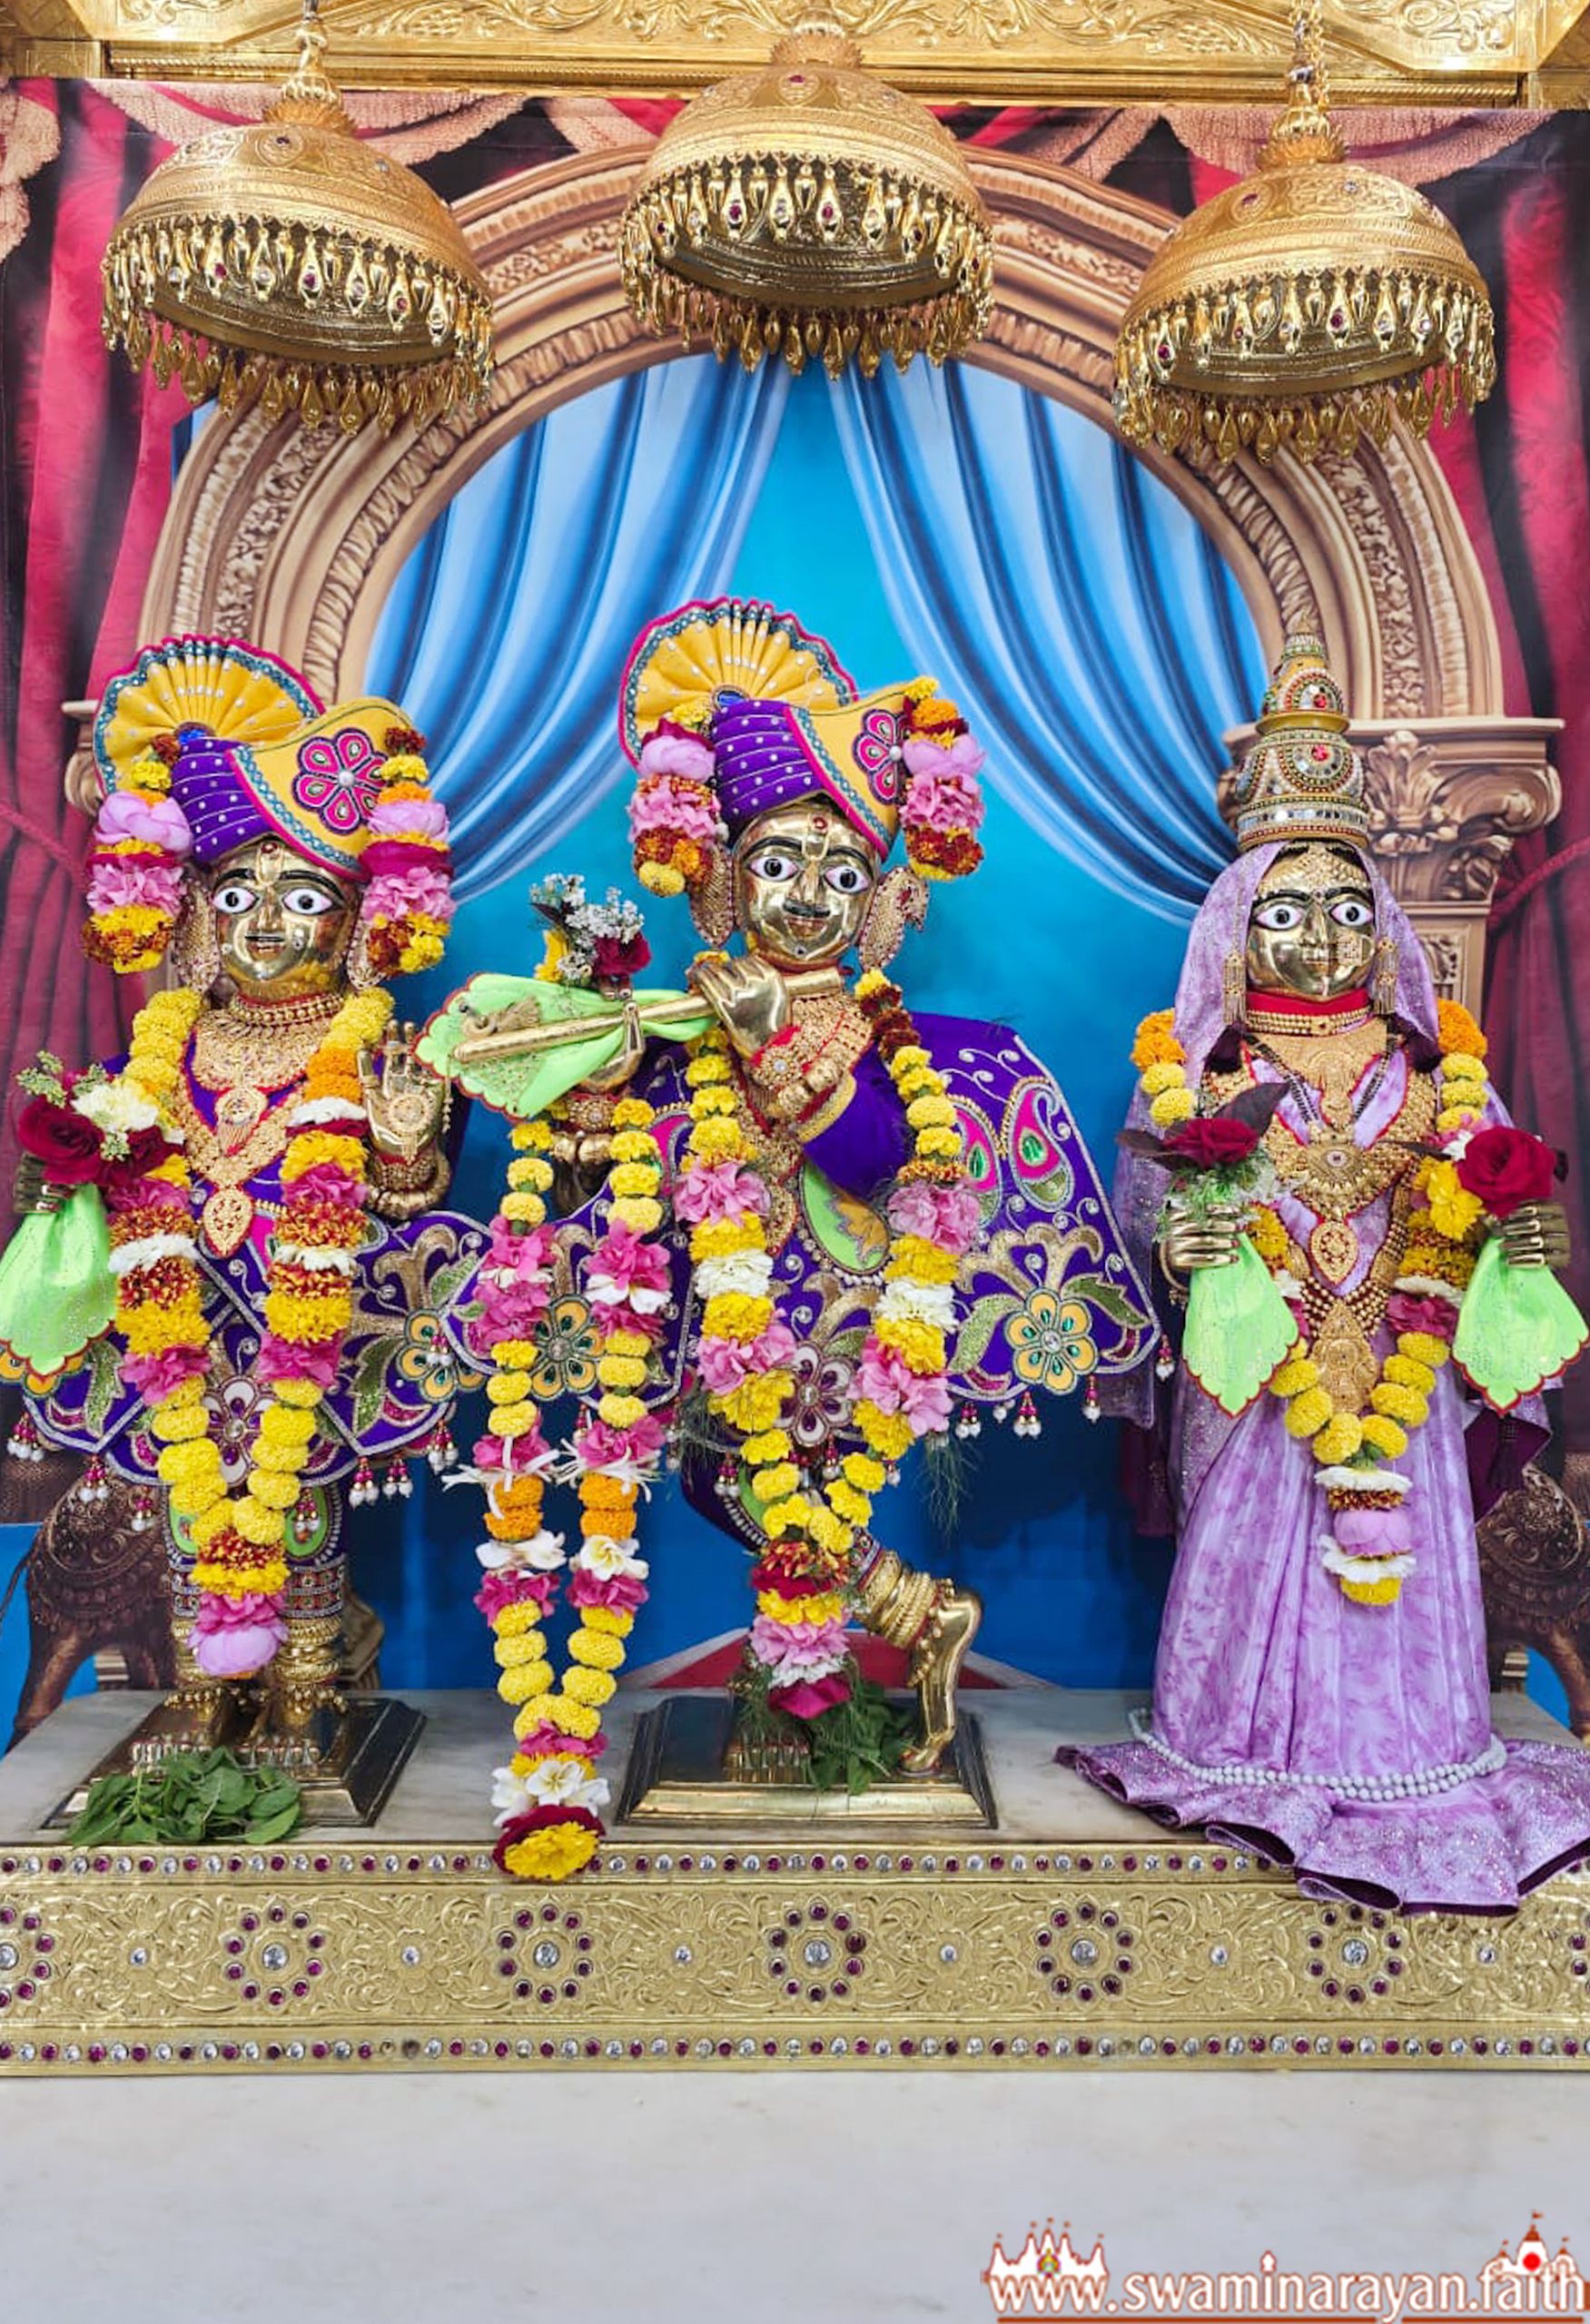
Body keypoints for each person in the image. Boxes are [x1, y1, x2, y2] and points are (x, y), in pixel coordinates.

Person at [452, 598, 1157, 1781]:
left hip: (853, 1315)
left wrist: (772, 1038)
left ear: (882, 901)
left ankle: (819, 1686)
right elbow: (614, 1160)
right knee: (722, 1478)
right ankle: (891, 1623)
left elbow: (877, 1153)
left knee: (802, 1484)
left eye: (841, 872)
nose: (806, 898)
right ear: (723, 883)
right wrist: (578, 1090)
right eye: (776, 863)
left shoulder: (886, 1037)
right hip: (725, 1316)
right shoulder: (690, 1020)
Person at [1069, 635, 1590, 1909]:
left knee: (1401, 1548)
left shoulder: (1431, 1075)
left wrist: (1524, 1242)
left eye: (1348, 909)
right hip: (1261, 1383)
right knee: (1257, 1546)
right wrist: (1180, 1249)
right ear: (1236, 929)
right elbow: (1144, 1241)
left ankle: (1411, 1752)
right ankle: (1239, 1745)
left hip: (1405, 1384)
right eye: (1288, 911)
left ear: (1384, 930)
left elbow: (1496, 1217)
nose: (1320, 936)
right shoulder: (1200, 1076)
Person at [6, 636, 482, 1756]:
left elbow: (411, 1205)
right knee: (187, 1502)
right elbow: (114, 1177)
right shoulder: (160, 1049)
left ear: (358, 919)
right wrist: (67, 1176)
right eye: (236, 893)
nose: (263, 921)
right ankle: (205, 1686)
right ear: (195, 914)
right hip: (179, 1330)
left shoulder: (380, 1051)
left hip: (313, 1337)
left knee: (298, 1499)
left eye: (301, 894)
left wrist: (404, 1153)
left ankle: (311, 1683)